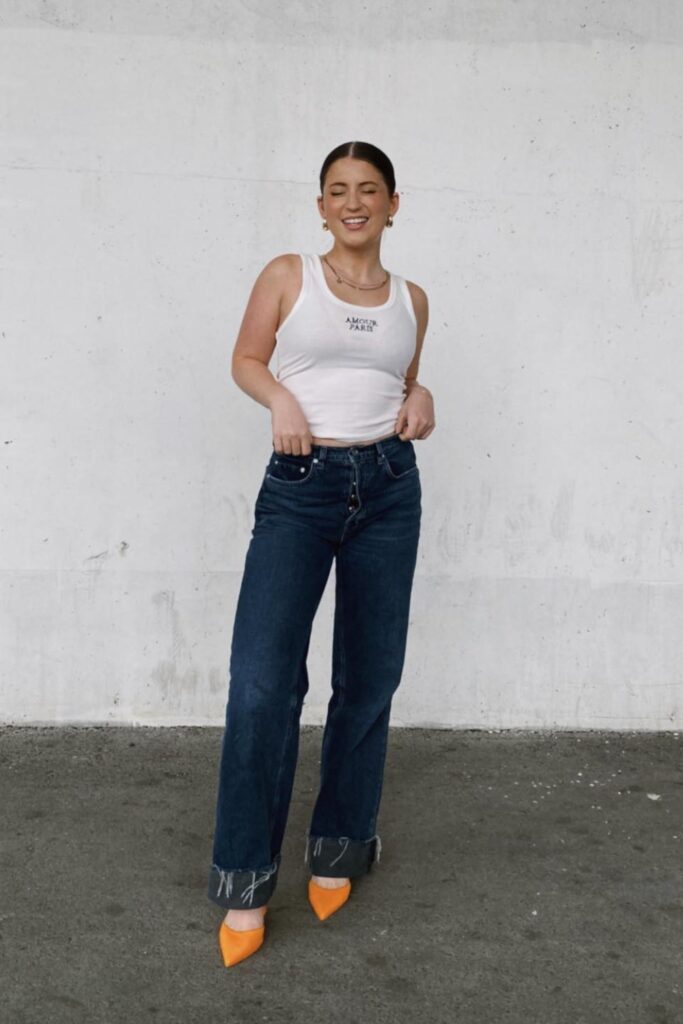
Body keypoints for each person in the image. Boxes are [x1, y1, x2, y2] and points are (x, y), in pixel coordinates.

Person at [208, 140, 436, 966]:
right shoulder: (287, 274)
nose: (352, 203)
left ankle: (342, 843)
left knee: (369, 677)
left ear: (391, 203)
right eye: (337, 190)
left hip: (387, 486)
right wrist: (279, 402)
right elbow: (245, 358)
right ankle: (244, 880)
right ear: (320, 206)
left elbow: (399, 380)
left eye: (367, 190)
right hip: (301, 486)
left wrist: (421, 395)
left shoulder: (410, 298)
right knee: (264, 682)